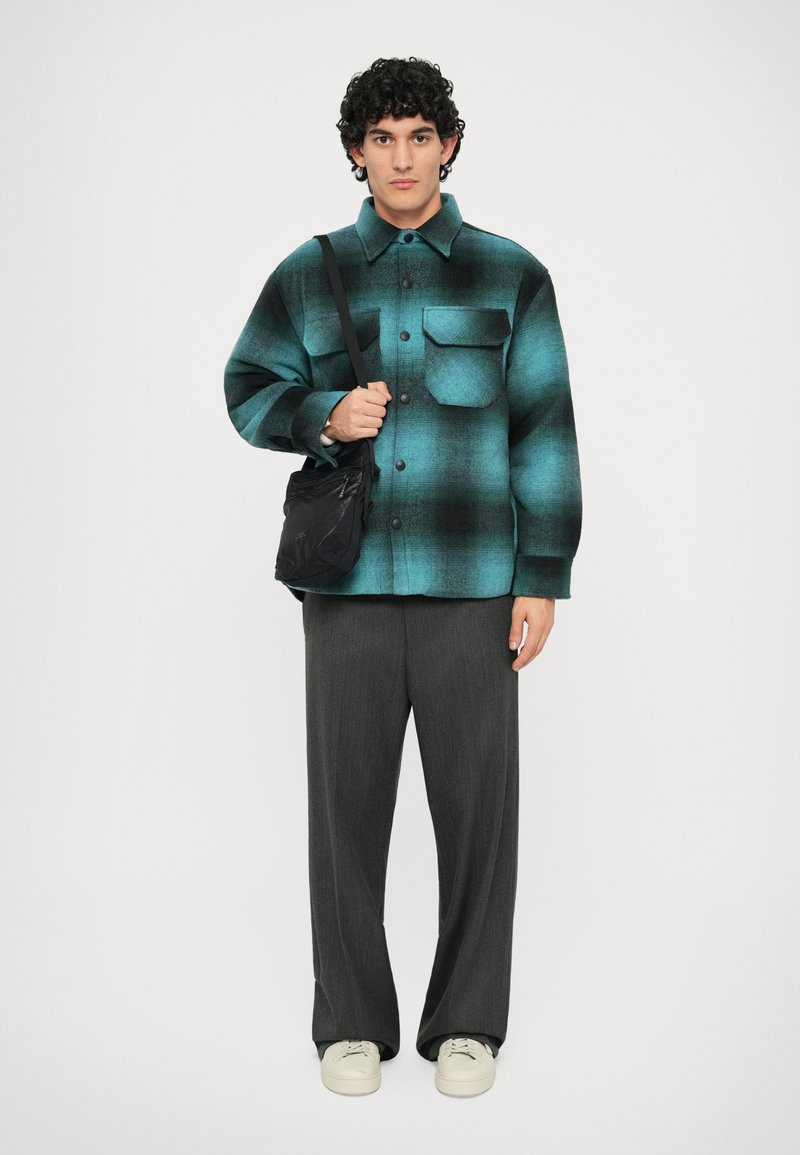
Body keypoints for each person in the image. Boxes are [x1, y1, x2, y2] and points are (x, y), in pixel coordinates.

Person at [223, 56, 582, 1098]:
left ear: (449, 145)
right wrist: (321, 415)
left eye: (420, 136)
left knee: (478, 815)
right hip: (347, 591)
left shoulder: (512, 274)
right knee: (343, 814)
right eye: (381, 138)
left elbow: (544, 431)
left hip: (476, 586)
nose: (402, 157)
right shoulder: (310, 272)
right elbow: (246, 385)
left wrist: (541, 574)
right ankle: (350, 1024)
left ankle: (466, 1023)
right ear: (355, 152)